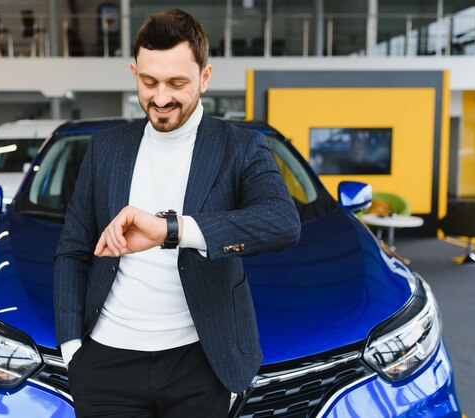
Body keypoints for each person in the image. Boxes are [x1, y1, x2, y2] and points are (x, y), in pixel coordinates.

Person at [54, 8, 301, 418]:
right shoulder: (105, 148)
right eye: (148, 82)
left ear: (205, 77)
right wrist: (71, 351)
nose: (161, 97)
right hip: (106, 363)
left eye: (177, 83)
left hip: (200, 362)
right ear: (134, 72)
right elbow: (71, 250)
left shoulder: (240, 147)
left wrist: (173, 230)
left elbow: (281, 221)